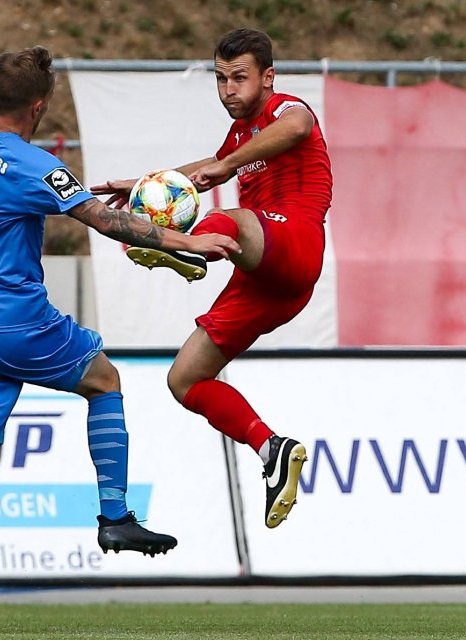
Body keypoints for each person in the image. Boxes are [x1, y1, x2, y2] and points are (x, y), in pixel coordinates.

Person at [0, 45, 239, 620]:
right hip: (13, 319)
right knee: (104, 379)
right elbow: (107, 221)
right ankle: (115, 517)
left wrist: (4, 212)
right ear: (40, 106)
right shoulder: (32, 165)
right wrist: (189, 242)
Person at [91, 28, 332, 529]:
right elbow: (204, 170)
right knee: (185, 378)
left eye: (239, 78)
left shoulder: (286, 109)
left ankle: (191, 253)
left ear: (268, 78)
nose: (228, 90)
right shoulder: (240, 138)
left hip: (295, 245)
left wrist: (225, 167)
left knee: (237, 220)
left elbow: (296, 128)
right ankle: (273, 450)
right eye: (220, 79)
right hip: (262, 278)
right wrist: (144, 183)